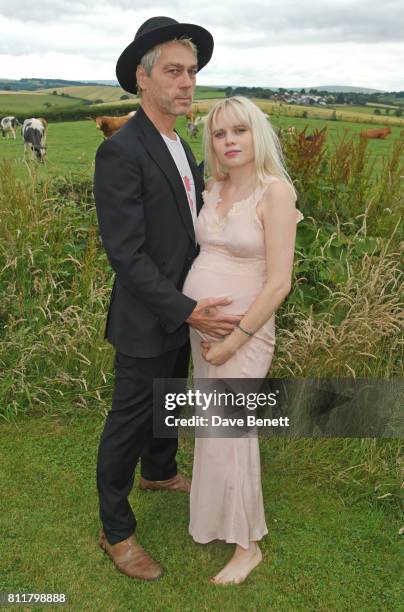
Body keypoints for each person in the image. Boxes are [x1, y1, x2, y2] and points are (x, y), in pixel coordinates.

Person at [93, 17, 243, 581]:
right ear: (143, 77)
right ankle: (116, 530)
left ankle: (160, 471)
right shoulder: (122, 150)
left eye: (193, 72)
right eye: (175, 72)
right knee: (129, 419)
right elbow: (126, 254)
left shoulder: (179, 143)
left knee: (171, 398)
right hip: (149, 315)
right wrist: (185, 310)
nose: (187, 83)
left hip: (186, 311)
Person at [182, 96, 304, 585]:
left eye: (239, 131)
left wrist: (234, 341)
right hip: (203, 328)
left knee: (233, 431)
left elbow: (279, 283)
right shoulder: (213, 187)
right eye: (219, 134)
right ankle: (214, 518)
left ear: (257, 134)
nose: (229, 142)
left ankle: (247, 544)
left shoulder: (275, 193)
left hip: (244, 333)